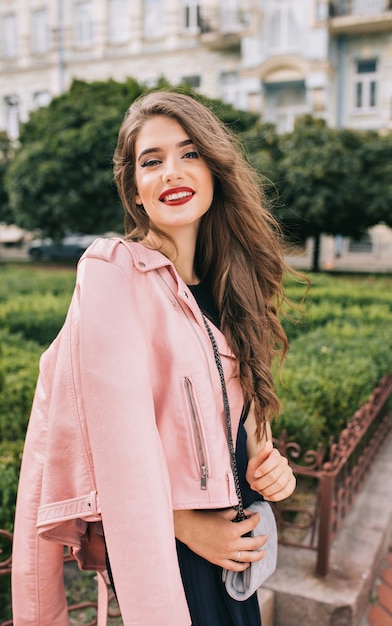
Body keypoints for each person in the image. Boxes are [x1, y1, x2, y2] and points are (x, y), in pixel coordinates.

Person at [12, 90, 296, 626]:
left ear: (214, 170)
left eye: (189, 154)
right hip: (170, 549)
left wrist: (269, 463)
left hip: (235, 553)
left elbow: (236, 422)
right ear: (135, 189)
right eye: (152, 161)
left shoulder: (232, 288)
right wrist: (187, 524)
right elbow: (116, 445)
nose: (172, 172)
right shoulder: (116, 272)